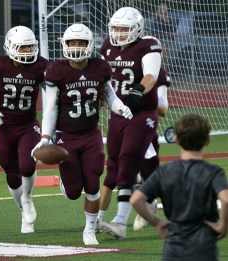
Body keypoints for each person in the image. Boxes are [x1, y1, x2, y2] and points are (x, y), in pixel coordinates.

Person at [31, 23, 133, 245]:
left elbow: (110, 96)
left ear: (89, 45)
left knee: (94, 181)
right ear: (65, 45)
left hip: (90, 135)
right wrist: (46, 138)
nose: (76, 47)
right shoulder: (56, 70)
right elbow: (51, 108)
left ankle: (89, 229)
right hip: (66, 136)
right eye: (72, 43)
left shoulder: (99, 67)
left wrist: (121, 107)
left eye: (81, 43)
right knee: (73, 192)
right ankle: (67, 185)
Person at [97, 7, 162, 239]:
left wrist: (138, 91)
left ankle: (120, 221)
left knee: (128, 160)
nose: (119, 33)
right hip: (118, 114)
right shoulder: (107, 47)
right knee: (115, 164)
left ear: (136, 29)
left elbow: (151, 75)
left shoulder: (148, 45)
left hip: (141, 113)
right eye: (115, 28)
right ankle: (153, 200)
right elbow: (103, 79)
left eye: (124, 29)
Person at [0, 26, 49, 234]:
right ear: (10, 47)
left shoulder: (40, 66)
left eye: (30, 47)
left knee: (27, 165)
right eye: (22, 47)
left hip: (28, 125)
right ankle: (22, 209)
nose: (27, 52)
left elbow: (52, 94)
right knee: (9, 170)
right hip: (5, 125)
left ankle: (27, 199)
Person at [130, 114, 228, 261]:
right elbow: (226, 200)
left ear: (176, 140)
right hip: (204, 245)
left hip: (173, 246)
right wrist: (222, 227)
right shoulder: (214, 172)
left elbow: (136, 200)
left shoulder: (163, 172)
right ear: (207, 140)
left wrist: (157, 223)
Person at [97, 67, 170, 231]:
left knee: (151, 179)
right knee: (112, 177)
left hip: (144, 132)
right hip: (119, 128)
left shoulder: (157, 74)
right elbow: (104, 101)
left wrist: (141, 98)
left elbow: (163, 109)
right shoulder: (115, 64)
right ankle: (99, 220)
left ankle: (158, 208)